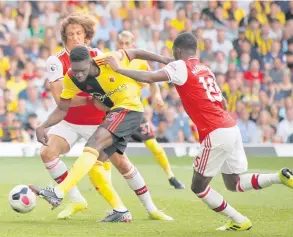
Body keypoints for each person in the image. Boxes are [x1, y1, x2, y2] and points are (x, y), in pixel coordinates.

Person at [105, 32, 293, 231]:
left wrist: (118, 69)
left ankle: (239, 220)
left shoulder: (180, 65)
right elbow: (223, 102)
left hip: (215, 131)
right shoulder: (205, 69)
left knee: (198, 187)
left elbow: (151, 77)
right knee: (234, 183)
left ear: (177, 50)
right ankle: (279, 176)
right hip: (230, 127)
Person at [30, 46, 174, 222]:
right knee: (97, 165)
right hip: (116, 112)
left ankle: (58, 192)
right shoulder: (71, 78)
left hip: (130, 108)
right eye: (76, 71)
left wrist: (165, 60)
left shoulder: (108, 59)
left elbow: (135, 52)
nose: (79, 75)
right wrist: (43, 126)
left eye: (82, 70)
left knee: (93, 144)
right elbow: (62, 108)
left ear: (90, 62)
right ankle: (127, 211)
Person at [42, 12, 131, 222]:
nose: (74, 37)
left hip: (97, 122)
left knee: (123, 164)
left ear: (86, 35)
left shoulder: (98, 55)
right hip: (70, 121)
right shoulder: (55, 61)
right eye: (70, 34)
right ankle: (76, 200)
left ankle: (150, 207)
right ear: (64, 37)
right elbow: (58, 99)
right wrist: (91, 101)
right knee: (47, 153)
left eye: (78, 33)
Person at [117, 31, 184, 189]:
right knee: (109, 153)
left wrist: (158, 95)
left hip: (134, 113)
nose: (124, 47)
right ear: (117, 44)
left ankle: (171, 176)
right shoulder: (112, 61)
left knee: (155, 147)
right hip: (115, 113)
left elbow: (152, 80)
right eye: (121, 43)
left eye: (127, 44)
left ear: (133, 45)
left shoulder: (140, 63)